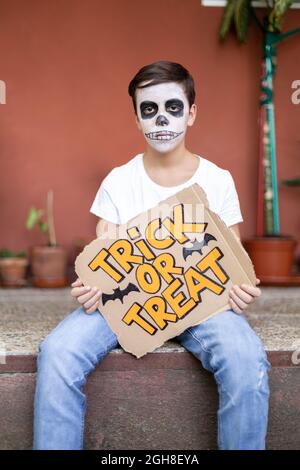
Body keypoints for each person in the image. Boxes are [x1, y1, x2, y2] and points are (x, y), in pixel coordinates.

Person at [33, 60, 271, 450]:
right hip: (129, 307)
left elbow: (233, 257)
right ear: (137, 120)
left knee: (246, 356)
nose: (162, 118)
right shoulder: (119, 181)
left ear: (192, 113)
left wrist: (240, 288)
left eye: (173, 107)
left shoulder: (217, 180)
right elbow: (103, 261)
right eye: (149, 109)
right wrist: (92, 288)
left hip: (202, 304)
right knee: (58, 351)